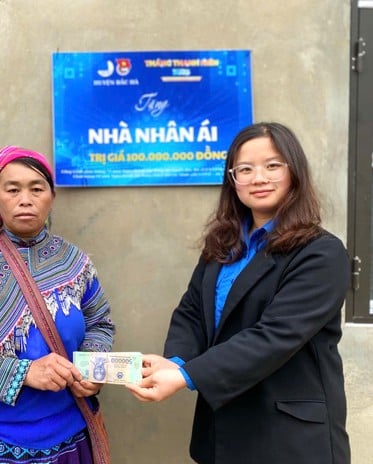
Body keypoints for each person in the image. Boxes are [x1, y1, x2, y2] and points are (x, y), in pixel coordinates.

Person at [127, 122, 350, 464]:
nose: (258, 178)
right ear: (233, 180)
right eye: (245, 169)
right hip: (223, 429)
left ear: (295, 172)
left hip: (287, 436)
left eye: (272, 165)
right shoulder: (224, 245)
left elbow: (274, 336)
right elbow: (191, 312)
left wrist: (186, 376)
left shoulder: (321, 253)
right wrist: (176, 360)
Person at [0, 145, 115, 463]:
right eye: (12, 189)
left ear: (51, 197)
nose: (25, 199)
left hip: (68, 433)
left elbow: (100, 324)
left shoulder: (75, 263)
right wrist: (24, 373)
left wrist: (94, 368)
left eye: (37, 188)